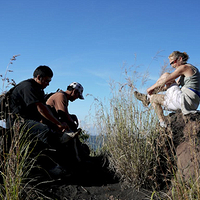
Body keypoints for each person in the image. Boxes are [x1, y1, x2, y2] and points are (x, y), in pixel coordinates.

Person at [134, 51, 200, 128]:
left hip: (186, 100)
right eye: (170, 64)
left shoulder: (185, 68)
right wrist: (154, 92)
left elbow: (166, 79)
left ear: (180, 59)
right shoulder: (185, 73)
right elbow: (168, 86)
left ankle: (147, 98)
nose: (172, 66)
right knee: (153, 98)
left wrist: (150, 89)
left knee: (166, 75)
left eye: (173, 62)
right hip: (188, 102)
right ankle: (162, 122)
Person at [8, 65, 69, 147]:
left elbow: (44, 108)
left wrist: (57, 123)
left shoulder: (38, 89)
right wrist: (58, 123)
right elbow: (41, 109)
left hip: (27, 120)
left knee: (51, 128)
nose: (48, 84)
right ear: (39, 77)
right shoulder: (28, 87)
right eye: (46, 81)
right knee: (45, 131)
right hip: (17, 121)